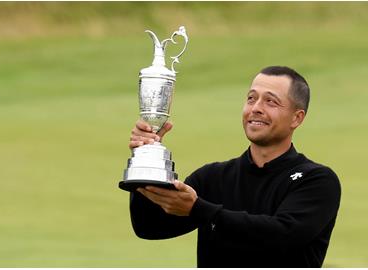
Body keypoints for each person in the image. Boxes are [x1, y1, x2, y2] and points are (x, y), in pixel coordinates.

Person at [127, 66, 341, 267]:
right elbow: (149, 226)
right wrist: (145, 157)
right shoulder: (213, 177)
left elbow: (282, 235)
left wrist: (199, 209)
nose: (256, 108)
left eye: (270, 102)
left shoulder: (317, 180)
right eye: (251, 98)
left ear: (297, 118)